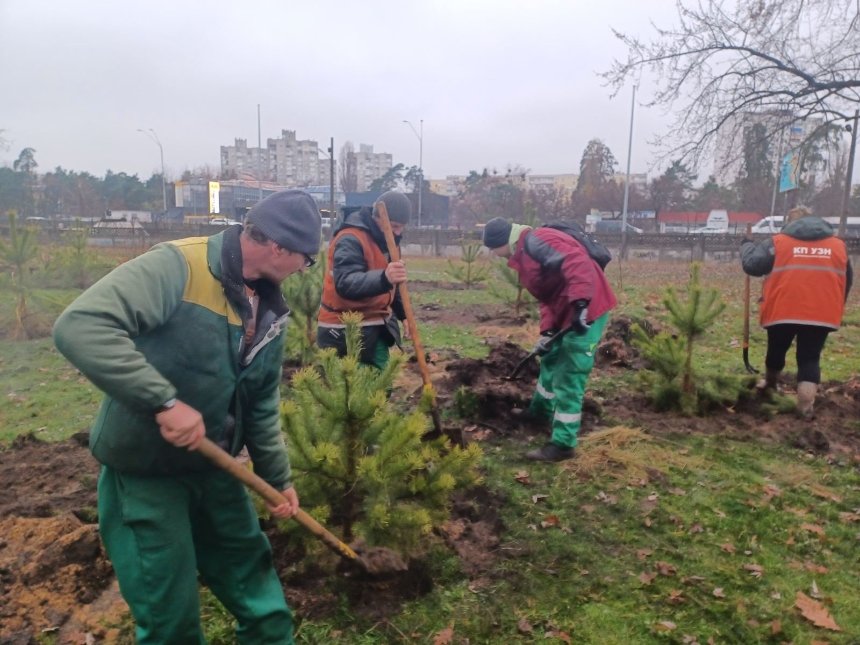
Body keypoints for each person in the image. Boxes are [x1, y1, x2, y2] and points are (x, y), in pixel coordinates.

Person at [53, 189, 322, 644]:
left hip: (218, 471)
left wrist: (278, 479)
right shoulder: (178, 267)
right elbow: (80, 326)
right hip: (147, 476)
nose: (305, 269)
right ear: (279, 247)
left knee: (263, 605)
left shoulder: (272, 311)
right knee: (170, 620)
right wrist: (163, 401)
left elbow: (259, 403)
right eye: (306, 258)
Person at [482, 217, 617, 462]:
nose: (493, 254)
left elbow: (577, 263)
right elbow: (547, 297)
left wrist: (580, 305)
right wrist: (547, 332)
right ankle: (540, 412)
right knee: (551, 357)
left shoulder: (539, 241)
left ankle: (564, 444)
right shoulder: (523, 254)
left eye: (493, 248)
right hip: (567, 310)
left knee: (569, 372)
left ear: (503, 242)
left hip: (588, 309)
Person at [741, 205, 852, 419]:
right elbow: (846, 280)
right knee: (810, 358)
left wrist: (746, 245)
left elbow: (752, 265)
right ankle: (805, 407)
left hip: (783, 308)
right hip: (822, 311)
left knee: (776, 350)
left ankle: (771, 384)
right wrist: (836, 306)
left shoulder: (779, 242)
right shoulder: (838, 246)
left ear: (791, 224)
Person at [317, 191, 412, 368]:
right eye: (394, 226)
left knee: (381, 385)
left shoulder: (389, 243)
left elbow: (393, 284)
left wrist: (403, 314)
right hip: (343, 328)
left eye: (401, 228)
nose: (398, 233)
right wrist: (385, 277)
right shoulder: (350, 238)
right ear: (378, 219)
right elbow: (346, 283)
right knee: (352, 385)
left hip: (376, 324)